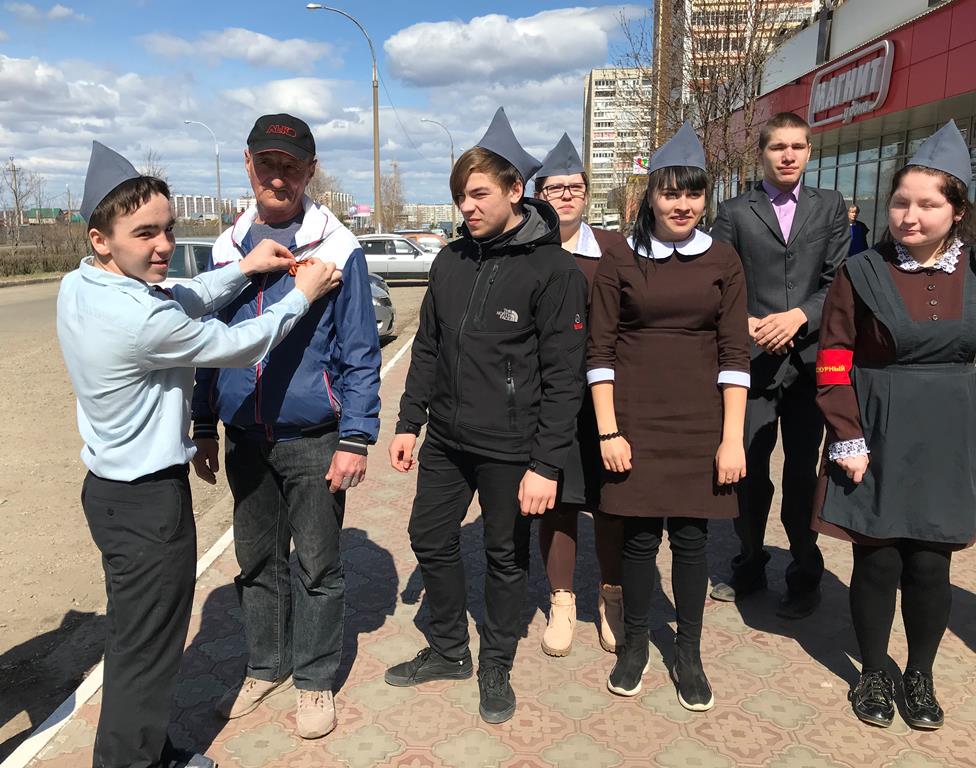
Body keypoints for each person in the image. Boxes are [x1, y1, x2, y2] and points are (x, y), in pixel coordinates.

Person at [57, 141, 341, 768]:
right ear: (101, 239)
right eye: (144, 234)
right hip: (148, 505)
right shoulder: (139, 322)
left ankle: (149, 750)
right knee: (146, 651)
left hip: (110, 494)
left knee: (139, 640)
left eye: (167, 228)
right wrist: (302, 294)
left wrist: (244, 269)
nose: (162, 245)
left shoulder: (82, 285)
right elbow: (240, 344)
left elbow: (180, 294)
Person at [384, 108, 588, 724]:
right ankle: (450, 649)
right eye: (459, 196)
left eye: (478, 194)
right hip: (446, 438)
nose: (466, 207)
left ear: (514, 190)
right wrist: (408, 422)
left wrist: (545, 465)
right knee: (429, 536)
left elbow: (564, 379)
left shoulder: (554, 270)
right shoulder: (449, 261)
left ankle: (496, 662)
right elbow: (426, 347)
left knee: (504, 555)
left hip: (511, 446)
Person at [191, 114, 382, 740]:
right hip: (246, 437)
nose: (278, 177)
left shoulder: (337, 247)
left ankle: (315, 677)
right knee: (256, 561)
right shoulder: (227, 249)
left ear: (310, 170)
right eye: (267, 163)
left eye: (291, 166)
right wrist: (204, 421)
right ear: (249, 165)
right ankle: (266, 664)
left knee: (318, 566)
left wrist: (355, 436)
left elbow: (360, 349)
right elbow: (207, 343)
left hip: (315, 438)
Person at [814, 120, 976, 731]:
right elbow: (834, 357)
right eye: (901, 202)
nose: (910, 216)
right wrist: (846, 434)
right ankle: (875, 672)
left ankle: (920, 675)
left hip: (952, 434)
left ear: (957, 211)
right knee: (878, 562)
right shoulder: (861, 271)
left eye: (928, 204)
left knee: (932, 564)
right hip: (876, 429)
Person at [587, 123, 750, 708]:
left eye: (693, 193)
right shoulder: (621, 259)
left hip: (701, 421)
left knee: (690, 539)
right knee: (637, 540)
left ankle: (689, 654)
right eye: (670, 192)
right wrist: (608, 430)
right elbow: (599, 351)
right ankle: (634, 646)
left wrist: (733, 439)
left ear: (706, 198)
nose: (682, 204)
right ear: (651, 196)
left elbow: (735, 354)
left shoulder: (723, 259)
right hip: (634, 419)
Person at [710, 112, 850, 618]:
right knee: (747, 472)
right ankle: (749, 561)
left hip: (809, 362)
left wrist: (798, 316)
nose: (788, 155)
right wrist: (749, 323)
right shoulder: (734, 211)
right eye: (777, 147)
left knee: (801, 475)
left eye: (797, 147)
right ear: (761, 154)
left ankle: (804, 573)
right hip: (752, 360)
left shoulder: (830, 206)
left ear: (809, 152)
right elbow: (719, 281)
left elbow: (838, 280)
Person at [531, 133, 625, 657]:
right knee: (559, 501)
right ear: (539, 195)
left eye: (575, 187)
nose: (566, 195)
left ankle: (611, 596)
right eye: (555, 188)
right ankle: (562, 600)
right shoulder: (530, 248)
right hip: (549, 399)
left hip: (608, 399)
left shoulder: (613, 249)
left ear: (587, 194)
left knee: (612, 501)